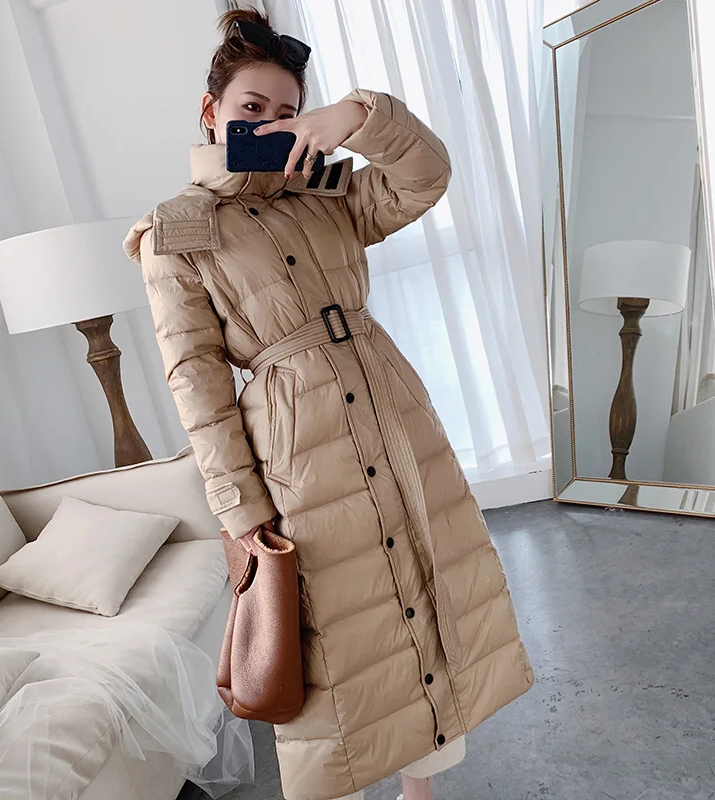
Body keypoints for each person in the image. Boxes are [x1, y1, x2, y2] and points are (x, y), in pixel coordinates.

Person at [124, 10, 533, 800]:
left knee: (425, 584)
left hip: (390, 407)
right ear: (210, 110)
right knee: (340, 629)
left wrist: (357, 115)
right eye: (250, 107)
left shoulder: (326, 192)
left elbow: (425, 177)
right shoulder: (176, 232)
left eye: (287, 111)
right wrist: (240, 508)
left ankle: (422, 791)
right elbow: (196, 381)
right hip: (296, 443)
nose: (268, 124)